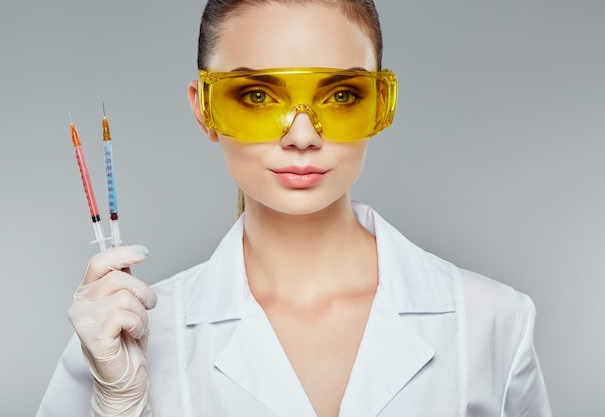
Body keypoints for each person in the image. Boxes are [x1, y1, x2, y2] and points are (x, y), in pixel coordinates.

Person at [37, 1, 553, 416]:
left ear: (382, 103)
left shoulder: (492, 322)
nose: (302, 136)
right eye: (258, 96)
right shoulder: (125, 340)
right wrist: (118, 407)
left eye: (342, 95)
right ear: (204, 109)